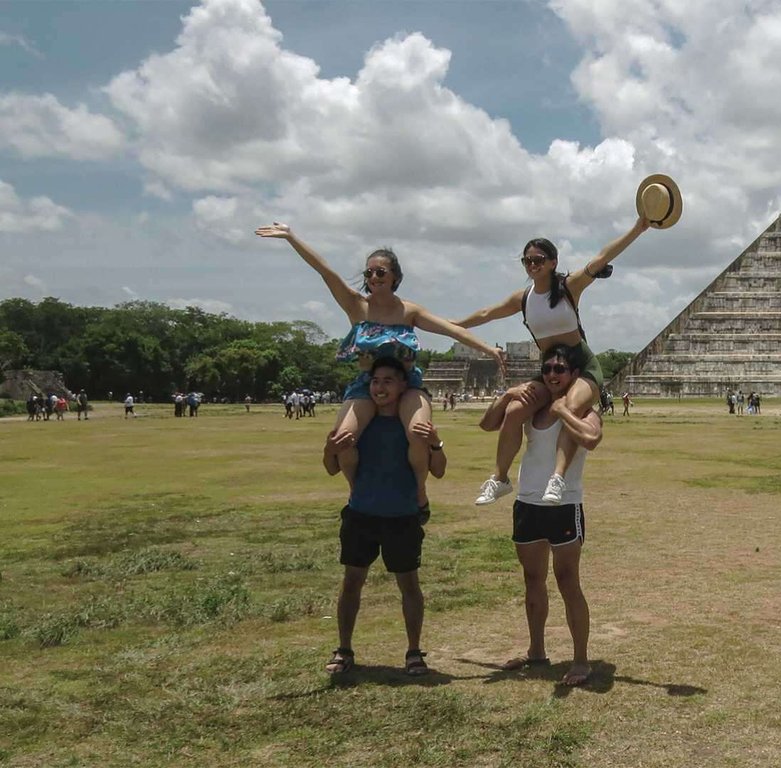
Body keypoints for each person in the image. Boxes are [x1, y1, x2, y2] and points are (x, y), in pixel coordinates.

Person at [257, 222, 504, 513]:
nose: (374, 277)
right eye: (369, 273)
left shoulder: (409, 311)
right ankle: (355, 490)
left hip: (407, 383)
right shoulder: (356, 306)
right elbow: (325, 270)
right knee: (344, 438)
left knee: (417, 433)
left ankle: (420, 490)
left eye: (381, 272)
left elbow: (452, 331)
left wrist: (487, 348)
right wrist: (291, 237)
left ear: (395, 277)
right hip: (368, 383)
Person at [458, 219, 652, 506]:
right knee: (514, 410)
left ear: (552, 262)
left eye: (538, 260)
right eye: (527, 261)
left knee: (570, 408)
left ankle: (557, 479)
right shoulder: (523, 298)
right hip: (550, 368)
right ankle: (500, 479)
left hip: (581, 366)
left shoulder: (568, 287)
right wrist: (450, 324)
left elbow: (602, 258)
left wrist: (639, 226)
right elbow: (488, 312)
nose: (532, 265)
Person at [481, 344, 603, 686]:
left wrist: (564, 411)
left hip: (564, 505)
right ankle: (536, 651)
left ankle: (581, 660)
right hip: (527, 503)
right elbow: (487, 424)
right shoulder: (530, 408)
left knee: (568, 583)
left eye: (560, 369)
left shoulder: (584, 408)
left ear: (574, 375)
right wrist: (506, 396)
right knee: (532, 581)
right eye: (547, 368)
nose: (552, 374)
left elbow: (592, 438)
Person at [321, 357, 447, 677]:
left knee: (409, 585)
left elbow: (440, 470)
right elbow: (332, 468)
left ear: (404, 386)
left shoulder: (411, 427)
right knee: (352, 583)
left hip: (402, 515)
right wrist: (328, 448)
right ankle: (344, 648)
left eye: (389, 381)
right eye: (376, 381)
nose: (380, 387)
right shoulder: (360, 424)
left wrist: (435, 442)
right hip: (361, 513)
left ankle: (414, 651)